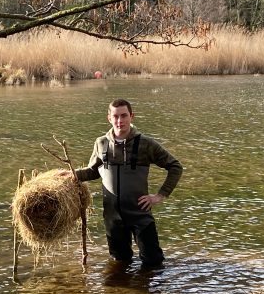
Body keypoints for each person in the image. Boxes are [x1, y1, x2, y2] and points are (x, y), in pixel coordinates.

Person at [74, 99, 183, 267]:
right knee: (119, 264)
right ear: (109, 118)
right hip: (112, 217)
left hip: (140, 215)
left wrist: (160, 195)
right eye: (115, 116)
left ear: (131, 116)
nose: (120, 121)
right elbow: (93, 171)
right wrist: (72, 175)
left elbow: (175, 166)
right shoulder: (101, 143)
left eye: (124, 116)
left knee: (153, 263)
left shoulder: (145, 144)